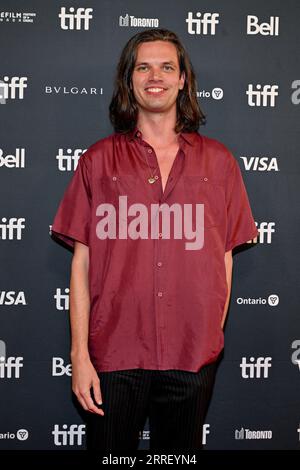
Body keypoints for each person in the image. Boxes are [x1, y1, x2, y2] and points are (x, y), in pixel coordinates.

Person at [51, 28, 258, 451]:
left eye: (167, 66)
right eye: (143, 67)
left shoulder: (219, 162)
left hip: (192, 354)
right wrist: (79, 356)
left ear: (183, 79)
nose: (155, 76)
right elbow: (82, 263)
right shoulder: (97, 160)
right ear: (130, 79)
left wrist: (210, 335)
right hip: (113, 354)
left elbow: (225, 258)